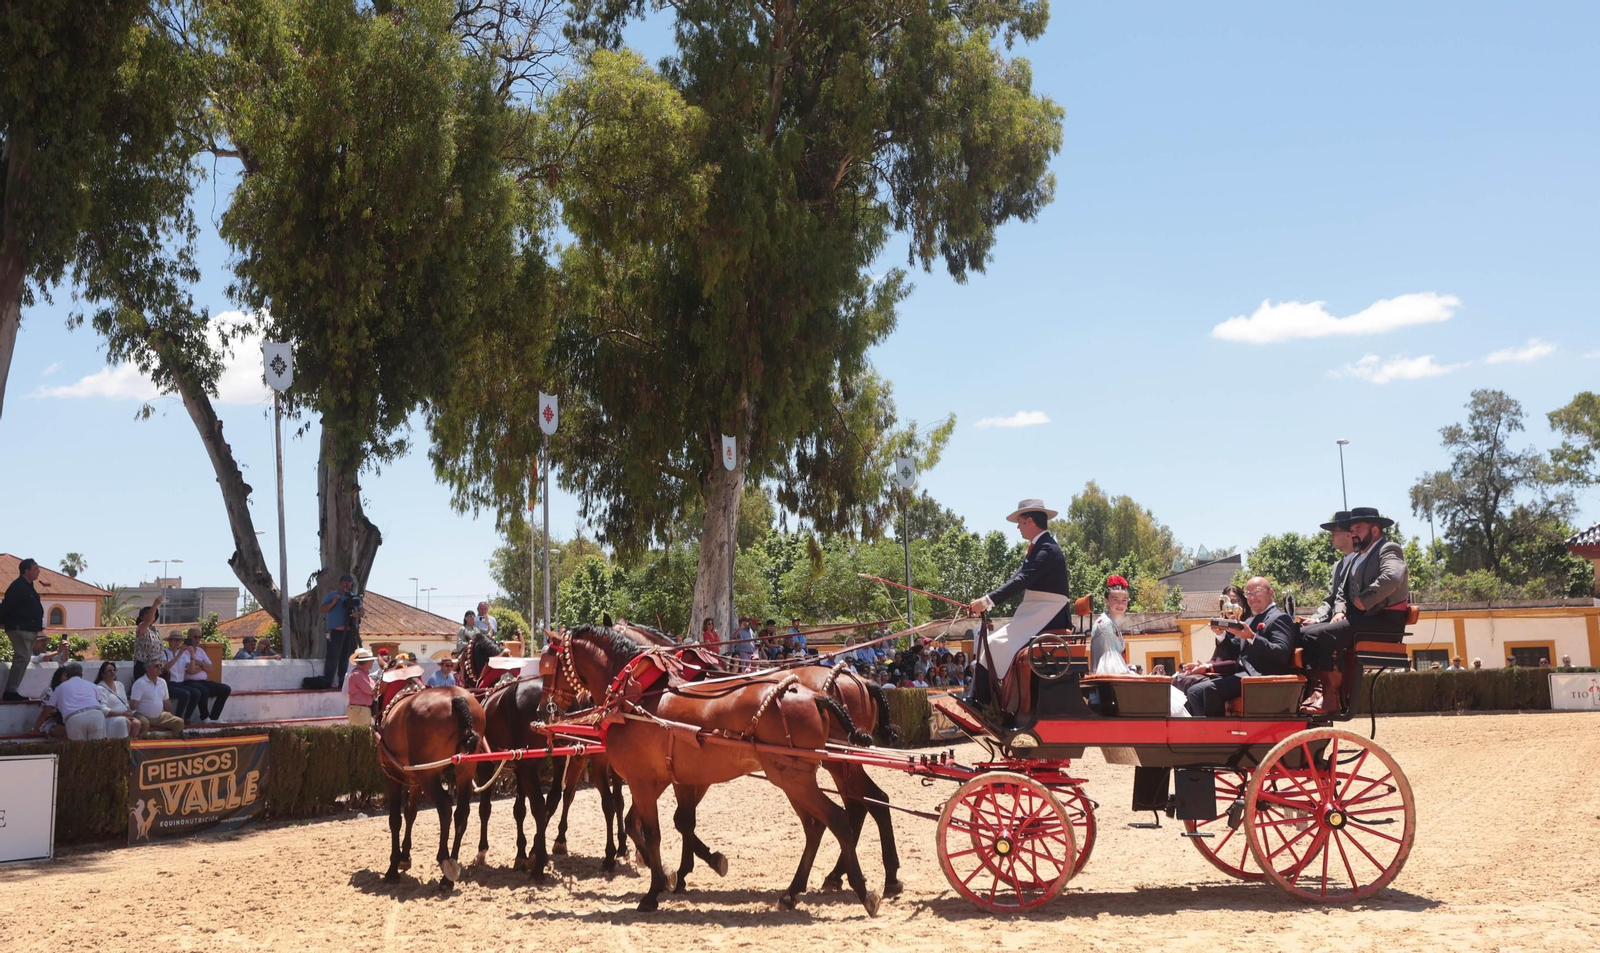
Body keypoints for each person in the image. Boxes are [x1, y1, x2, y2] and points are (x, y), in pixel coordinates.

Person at [1297, 506, 1411, 715]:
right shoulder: (1357, 557)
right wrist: (1339, 610)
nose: (1353, 533)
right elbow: (1340, 592)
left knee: (1322, 634)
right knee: (1303, 633)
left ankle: (1330, 699)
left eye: (1358, 528)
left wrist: (1364, 600)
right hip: (1361, 620)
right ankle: (1315, 692)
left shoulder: (1388, 549)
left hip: (1384, 622)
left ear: (1375, 530)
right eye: (1351, 529)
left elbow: (1393, 577)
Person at [964, 499, 1071, 708]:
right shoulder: (1041, 546)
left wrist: (986, 601)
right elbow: (1020, 579)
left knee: (994, 643)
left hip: (1048, 615)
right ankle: (984, 700)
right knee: (993, 642)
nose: (1018, 527)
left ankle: (981, 702)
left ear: (1030, 521)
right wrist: (986, 602)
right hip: (1038, 612)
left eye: (1020, 523)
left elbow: (1021, 581)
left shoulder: (1047, 549)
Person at [1184, 577, 1297, 717]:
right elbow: (1233, 651)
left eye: (1257, 592)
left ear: (1271, 592)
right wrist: (1221, 635)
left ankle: (1215, 734)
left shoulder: (1279, 618)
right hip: (1243, 675)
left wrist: (1252, 637)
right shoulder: (1251, 620)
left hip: (1263, 677)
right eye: (1248, 594)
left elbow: (1282, 653)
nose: (1252, 597)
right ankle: (1204, 733)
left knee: (1211, 689)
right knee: (1194, 691)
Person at [2, 557, 48, 701]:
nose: (38, 571)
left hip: (29, 629)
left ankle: (13, 690)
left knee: (25, 658)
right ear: (26, 571)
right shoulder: (17, 587)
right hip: (18, 628)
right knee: (22, 657)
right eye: (35, 569)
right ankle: (10, 691)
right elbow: (6, 607)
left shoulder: (29, 587)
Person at [1304, 511, 1356, 625]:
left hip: (1350, 622)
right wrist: (1315, 619)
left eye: (1334, 533)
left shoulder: (1361, 562)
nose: (1330, 537)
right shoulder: (1338, 566)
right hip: (1333, 622)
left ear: (1348, 534)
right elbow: (1330, 600)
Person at [41, 662, 109, 740]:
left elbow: (47, 710)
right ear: (81, 675)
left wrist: (35, 729)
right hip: (96, 716)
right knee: (96, 748)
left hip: (75, 719)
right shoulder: (91, 685)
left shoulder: (60, 688)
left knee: (78, 749)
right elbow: (98, 703)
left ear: (67, 675)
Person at [177, 628, 231, 722]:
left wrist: (200, 664)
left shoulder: (201, 651)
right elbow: (191, 671)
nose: (197, 639)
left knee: (225, 689)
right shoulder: (183, 651)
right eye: (195, 637)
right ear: (189, 637)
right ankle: (204, 717)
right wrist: (203, 666)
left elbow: (211, 668)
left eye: (199, 637)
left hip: (203, 681)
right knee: (203, 690)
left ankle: (214, 717)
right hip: (189, 681)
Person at [319, 573, 361, 689]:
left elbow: (362, 610)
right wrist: (333, 602)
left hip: (349, 631)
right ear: (340, 583)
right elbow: (322, 609)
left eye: (349, 582)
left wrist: (358, 614)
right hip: (335, 632)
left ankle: (342, 680)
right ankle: (328, 680)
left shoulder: (354, 597)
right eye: (345, 582)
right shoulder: (332, 595)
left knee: (345, 657)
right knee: (332, 656)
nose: (347, 584)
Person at [129, 660, 186, 736]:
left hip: (159, 716)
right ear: (147, 669)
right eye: (156, 666)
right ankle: (142, 745)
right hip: (142, 715)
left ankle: (174, 743)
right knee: (144, 723)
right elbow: (133, 705)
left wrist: (170, 714)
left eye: (160, 665)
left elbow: (166, 701)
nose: (159, 667)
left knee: (179, 722)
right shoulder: (140, 683)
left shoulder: (162, 682)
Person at [1090, 575, 1133, 674]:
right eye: (1115, 600)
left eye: (1124, 600)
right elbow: (1112, 665)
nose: (1120, 604)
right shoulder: (1105, 624)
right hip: (1108, 680)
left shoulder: (1110, 622)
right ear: (1107, 601)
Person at [93, 661, 142, 739]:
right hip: (109, 718)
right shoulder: (100, 688)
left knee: (137, 723)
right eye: (109, 671)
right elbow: (103, 709)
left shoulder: (119, 684)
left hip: (124, 715)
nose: (112, 672)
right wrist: (122, 714)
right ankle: (122, 744)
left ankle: (131, 744)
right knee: (126, 722)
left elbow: (125, 702)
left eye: (114, 670)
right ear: (102, 674)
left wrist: (128, 710)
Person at [161, 632, 204, 720]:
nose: (177, 642)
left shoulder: (184, 655)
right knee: (185, 694)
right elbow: (166, 668)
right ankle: (178, 718)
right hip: (168, 684)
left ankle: (187, 718)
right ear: (170, 641)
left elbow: (191, 670)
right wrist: (179, 654)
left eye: (180, 640)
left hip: (180, 683)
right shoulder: (164, 653)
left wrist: (192, 655)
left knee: (196, 693)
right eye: (175, 640)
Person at [131, 597, 166, 679]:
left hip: (155, 666)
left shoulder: (155, 630)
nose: (151, 614)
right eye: (148, 613)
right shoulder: (141, 627)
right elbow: (148, 621)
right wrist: (156, 603)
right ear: (141, 617)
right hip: (143, 666)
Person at [346, 648, 377, 726]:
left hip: (362, 709)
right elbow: (371, 690)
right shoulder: (358, 674)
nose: (372, 663)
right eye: (371, 661)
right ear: (365, 662)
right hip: (360, 709)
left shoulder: (363, 674)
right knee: (362, 734)